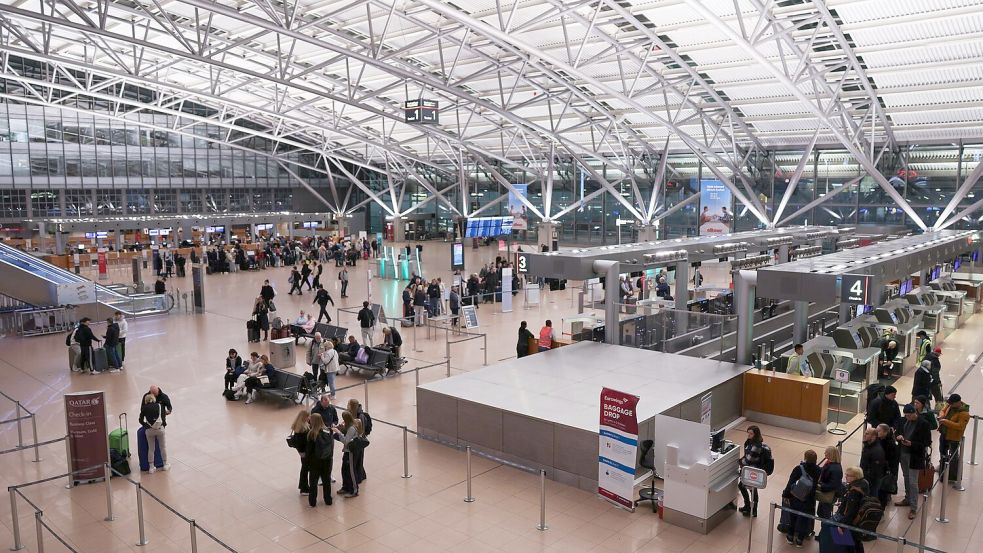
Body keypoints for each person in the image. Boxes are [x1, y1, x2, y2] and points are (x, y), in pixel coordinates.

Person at [896, 403, 931, 519]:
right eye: (905, 415)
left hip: (914, 456)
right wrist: (899, 436)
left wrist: (912, 444)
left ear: (914, 413)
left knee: (913, 481)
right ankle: (907, 498)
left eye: (909, 415)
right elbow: (898, 431)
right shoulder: (903, 421)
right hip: (903, 453)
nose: (907, 418)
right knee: (906, 477)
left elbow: (927, 442)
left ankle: (913, 507)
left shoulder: (923, 424)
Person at [782, 449, 821, 547]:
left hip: (796, 497)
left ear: (805, 458)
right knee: (804, 519)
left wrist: (786, 494)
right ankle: (800, 540)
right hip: (809, 499)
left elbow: (791, 482)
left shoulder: (799, 468)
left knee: (793, 517)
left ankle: (790, 536)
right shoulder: (819, 470)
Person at [738, 426, 772, 517]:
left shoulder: (756, 445)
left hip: (752, 470)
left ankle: (752, 509)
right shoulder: (751, 442)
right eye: (748, 433)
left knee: (751, 489)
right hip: (749, 469)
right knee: (744, 487)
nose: (749, 435)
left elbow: (749, 459)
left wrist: (739, 462)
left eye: (751, 433)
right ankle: (748, 507)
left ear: (756, 434)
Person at [832, 467, 868, 550]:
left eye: (848, 475)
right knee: (856, 543)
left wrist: (842, 525)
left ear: (855, 477)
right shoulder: (863, 484)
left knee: (845, 545)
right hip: (857, 521)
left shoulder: (854, 491)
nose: (846, 477)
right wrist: (844, 503)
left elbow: (851, 511)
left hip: (849, 522)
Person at [938, 394, 970, 486]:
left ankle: (952, 474)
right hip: (944, 433)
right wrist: (942, 415)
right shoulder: (949, 405)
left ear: (958, 402)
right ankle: (942, 468)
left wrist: (945, 422)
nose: (950, 405)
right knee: (942, 451)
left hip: (953, 437)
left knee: (954, 456)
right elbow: (942, 410)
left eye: (952, 404)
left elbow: (960, 426)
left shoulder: (964, 413)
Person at [305, 413, 334, 507]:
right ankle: (328, 500)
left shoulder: (312, 434)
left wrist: (307, 462)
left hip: (315, 461)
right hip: (327, 459)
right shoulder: (329, 430)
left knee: (313, 482)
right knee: (326, 481)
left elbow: (309, 451)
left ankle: (312, 502)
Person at [138, 393, 170, 473]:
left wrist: (146, 425)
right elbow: (163, 417)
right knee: (163, 447)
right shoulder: (159, 406)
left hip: (150, 430)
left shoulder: (144, 408)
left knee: (151, 448)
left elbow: (141, 420)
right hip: (160, 429)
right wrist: (163, 425)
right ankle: (165, 464)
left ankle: (151, 467)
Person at [334, 411, 363, 498]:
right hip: (347, 451)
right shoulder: (351, 425)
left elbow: (346, 441)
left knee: (351, 471)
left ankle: (354, 490)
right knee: (344, 469)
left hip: (351, 452)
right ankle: (346, 487)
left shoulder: (351, 428)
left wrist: (338, 433)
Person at [816, 446, 842, 520]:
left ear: (831, 454)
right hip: (826, 491)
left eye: (826, 452)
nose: (824, 453)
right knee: (821, 512)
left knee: (825, 514)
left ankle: (826, 530)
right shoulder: (829, 463)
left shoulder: (835, 469)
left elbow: (833, 485)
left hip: (829, 494)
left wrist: (821, 486)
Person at [346, 399, 369, 483]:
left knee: (358, 459)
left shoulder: (360, 416)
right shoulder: (352, 414)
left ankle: (359, 477)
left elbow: (361, 429)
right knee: (358, 459)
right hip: (356, 439)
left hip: (358, 440)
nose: (347, 406)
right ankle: (360, 475)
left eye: (348, 404)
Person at [860, 429, 886, 502]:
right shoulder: (867, 445)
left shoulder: (877, 451)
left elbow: (875, 470)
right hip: (865, 477)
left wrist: (865, 479)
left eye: (867, 434)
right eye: (865, 433)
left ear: (874, 436)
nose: (864, 435)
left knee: (871, 498)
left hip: (872, 480)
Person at [876, 424, 899, 507]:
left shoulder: (891, 444)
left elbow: (892, 460)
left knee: (882, 492)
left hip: (885, 471)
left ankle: (881, 509)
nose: (876, 432)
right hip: (880, 469)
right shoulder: (879, 440)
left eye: (879, 431)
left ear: (885, 432)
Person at [289, 410, 311, 496]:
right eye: (308, 416)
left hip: (303, 452)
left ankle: (303, 486)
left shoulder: (299, 426)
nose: (309, 418)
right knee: (305, 469)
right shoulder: (302, 429)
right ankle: (304, 488)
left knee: (304, 469)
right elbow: (301, 443)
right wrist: (302, 452)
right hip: (305, 452)